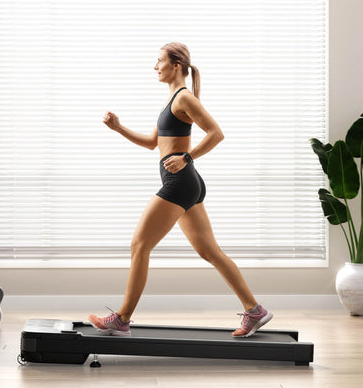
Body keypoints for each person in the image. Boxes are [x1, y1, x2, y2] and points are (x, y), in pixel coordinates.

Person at [88, 42, 273, 338]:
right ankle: (254, 311)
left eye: (159, 60)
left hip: (180, 183)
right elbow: (153, 143)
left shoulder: (184, 97)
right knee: (210, 251)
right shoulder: (172, 100)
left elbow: (216, 133)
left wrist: (187, 156)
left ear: (176, 65)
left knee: (139, 245)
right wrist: (119, 128)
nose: (154, 66)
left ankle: (122, 319)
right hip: (188, 185)